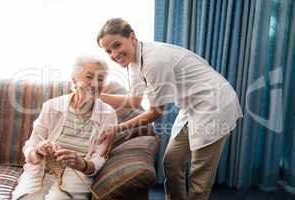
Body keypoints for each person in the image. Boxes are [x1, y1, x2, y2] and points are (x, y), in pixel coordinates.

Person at [96, 18, 243, 200]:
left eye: (117, 45)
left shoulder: (154, 61)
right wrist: (97, 95)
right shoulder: (132, 62)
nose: (114, 54)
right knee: (172, 162)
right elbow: (134, 100)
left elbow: (156, 112)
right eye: (109, 51)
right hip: (192, 106)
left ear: (132, 37)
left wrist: (116, 130)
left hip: (214, 103)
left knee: (199, 176)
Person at [12, 57, 117, 200]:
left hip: (77, 173)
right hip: (43, 167)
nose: (95, 84)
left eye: (100, 79)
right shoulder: (52, 106)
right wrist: (37, 152)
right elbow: (30, 145)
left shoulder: (108, 114)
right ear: (74, 80)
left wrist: (82, 164)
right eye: (89, 77)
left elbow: (100, 157)